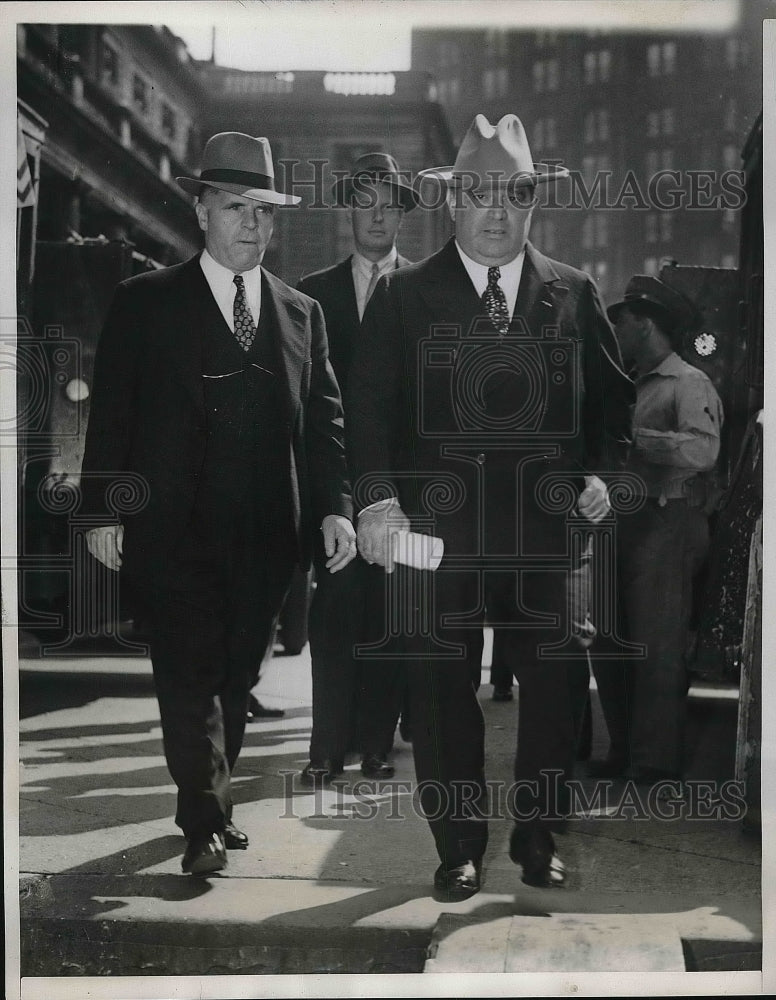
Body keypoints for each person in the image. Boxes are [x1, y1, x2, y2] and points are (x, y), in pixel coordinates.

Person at [347, 113, 634, 900]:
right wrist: (378, 502)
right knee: (441, 695)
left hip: (547, 538)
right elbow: (366, 414)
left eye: (515, 194)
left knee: (557, 690)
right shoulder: (404, 296)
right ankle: (458, 848)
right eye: (479, 195)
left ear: (534, 201)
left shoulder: (574, 292)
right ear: (452, 202)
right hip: (436, 540)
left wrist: (602, 475)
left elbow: (612, 408)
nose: (497, 212)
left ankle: (537, 839)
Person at [80, 132, 356, 875]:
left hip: (268, 536)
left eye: (264, 212)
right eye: (236, 208)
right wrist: (102, 509)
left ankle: (214, 802)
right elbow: (112, 414)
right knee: (188, 673)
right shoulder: (145, 302)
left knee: (236, 678)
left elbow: (325, 424)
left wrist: (335, 508)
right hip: (173, 530)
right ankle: (202, 822)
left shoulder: (301, 314)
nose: (251, 225)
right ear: (201, 211)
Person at [296, 153, 416, 784]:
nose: (377, 216)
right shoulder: (312, 293)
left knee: (392, 615)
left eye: (389, 205)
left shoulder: (424, 289)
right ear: (348, 210)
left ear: (402, 216)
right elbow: (306, 404)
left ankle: (375, 743)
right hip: (337, 484)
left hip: (403, 489)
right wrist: (327, 499)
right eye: (365, 202)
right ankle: (325, 746)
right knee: (336, 609)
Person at [590, 275, 723, 785]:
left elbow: (703, 450)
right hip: (620, 521)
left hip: (666, 520)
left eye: (621, 322)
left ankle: (655, 760)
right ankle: (623, 750)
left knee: (656, 644)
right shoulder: (627, 379)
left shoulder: (688, 382)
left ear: (645, 324)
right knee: (611, 642)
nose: (615, 331)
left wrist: (637, 439)